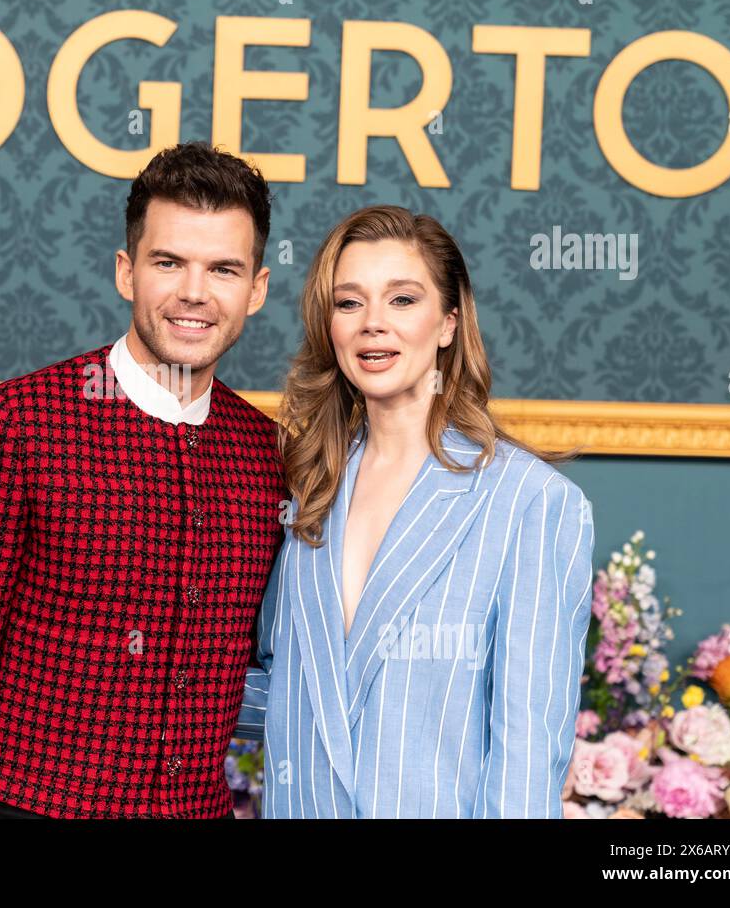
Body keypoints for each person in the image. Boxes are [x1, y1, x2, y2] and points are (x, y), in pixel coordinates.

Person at [0, 141, 287, 818]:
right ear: (126, 272)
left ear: (255, 290)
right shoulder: (15, 422)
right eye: (169, 262)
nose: (194, 292)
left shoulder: (265, 451)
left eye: (223, 268)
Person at [233, 205, 595, 818]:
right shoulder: (303, 484)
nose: (374, 324)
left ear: (449, 322)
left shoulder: (531, 503)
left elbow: (526, 753)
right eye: (349, 303)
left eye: (402, 300)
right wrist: (126, 669)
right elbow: (285, 683)